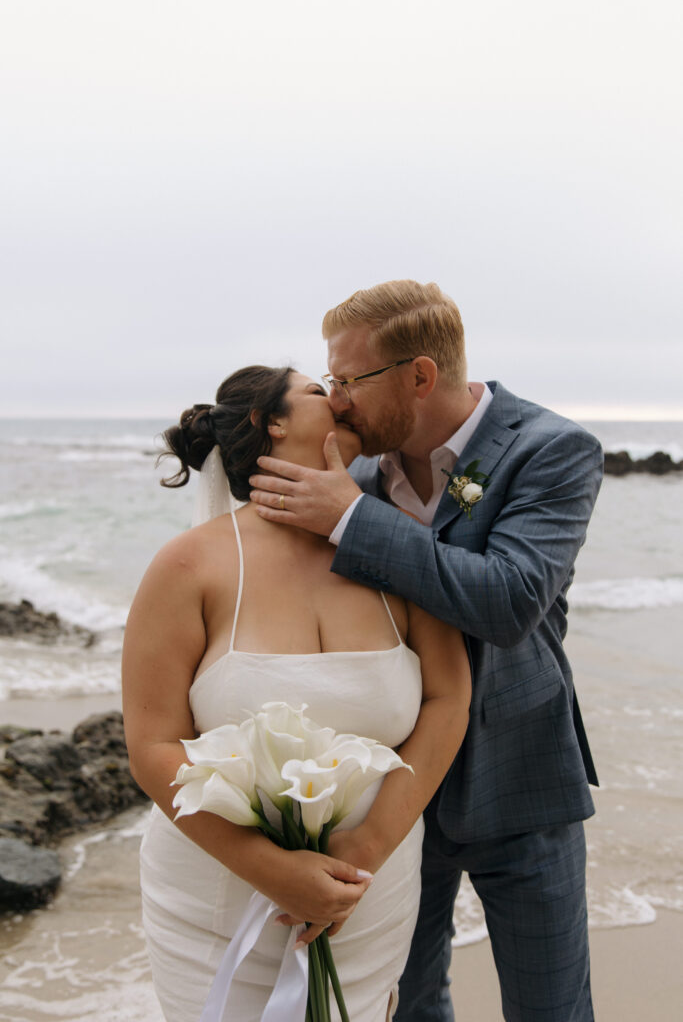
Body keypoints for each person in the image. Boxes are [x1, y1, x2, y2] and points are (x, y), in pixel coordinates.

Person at [248, 280, 603, 1021]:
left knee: (551, 1008)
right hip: (392, 788)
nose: (337, 399)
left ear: (418, 375)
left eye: (349, 380)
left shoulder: (552, 449)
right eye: (331, 381)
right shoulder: (350, 473)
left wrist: (350, 520)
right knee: (405, 1002)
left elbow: (508, 600)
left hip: (521, 778)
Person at [122, 364, 471, 1022]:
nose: (342, 398)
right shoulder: (188, 565)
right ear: (270, 423)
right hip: (216, 899)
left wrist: (365, 848)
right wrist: (269, 869)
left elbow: (446, 701)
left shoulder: (398, 552)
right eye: (319, 390)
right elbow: (151, 744)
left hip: (369, 893)